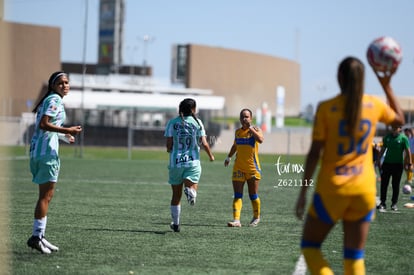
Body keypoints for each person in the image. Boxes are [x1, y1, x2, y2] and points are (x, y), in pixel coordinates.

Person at [295, 57, 404, 275]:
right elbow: (399, 120)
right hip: (364, 189)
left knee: (310, 247)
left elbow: (315, 153)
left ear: (339, 77)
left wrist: (303, 192)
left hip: (332, 189)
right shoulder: (373, 105)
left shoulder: (326, 108)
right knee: (354, 258)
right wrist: (386, 85)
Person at [27, 71, 82, 254]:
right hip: (46, 154)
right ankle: (36, 237)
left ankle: (40, 236)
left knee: (46, 196)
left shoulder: (49, 99)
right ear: (53, 85)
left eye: (67, 82)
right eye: (61, 83)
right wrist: (68, 129)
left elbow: (45, 129)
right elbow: (44, 124)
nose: (65, 85)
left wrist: (64, 136)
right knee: (45, 196)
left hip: (38, 151)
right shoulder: (55, 100)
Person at [164, 98, 215, 232]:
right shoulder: (197, 123)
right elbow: (204, 143)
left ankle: (176, 224)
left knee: (176, 195)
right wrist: (211, 156)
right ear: (193, 109)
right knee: (192, 185)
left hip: (176, 162)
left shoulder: (172, 123)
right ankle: (192, 191)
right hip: (192, 161)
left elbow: (169, 145)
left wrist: (170, 149)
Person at [224, 108, 264, 227]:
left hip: (253, 169)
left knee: (253, 195)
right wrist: (229, 157)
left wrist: (251, 128)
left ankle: (256, 217)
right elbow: (235, 145)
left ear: (251, 118)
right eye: (242, 117)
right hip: (239, 167)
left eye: (247, 117)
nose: (244, 119)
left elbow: (261, 140)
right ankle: (237, 220)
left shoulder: (256, 129)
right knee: (237, 194)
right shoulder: (237, 132)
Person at [376, 126, 412, 211]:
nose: (393, 128)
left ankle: (394, 204)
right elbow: (383, 149)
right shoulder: (387, 137)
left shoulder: (403, 138)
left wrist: (409, 163)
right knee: (384, 184)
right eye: (393, 126)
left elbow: (408, 151)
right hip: (387, 164)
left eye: (395, 126)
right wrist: (378, 160)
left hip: (398, 165)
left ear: (400, 128)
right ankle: (382, 203)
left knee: (395, 184)